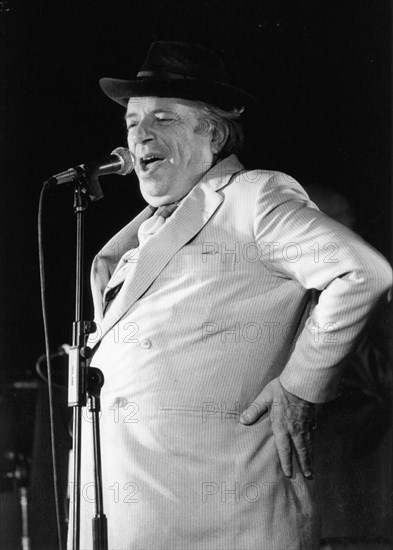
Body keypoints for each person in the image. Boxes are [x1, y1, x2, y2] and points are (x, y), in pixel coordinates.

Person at [70, 41, 392, 550]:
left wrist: (302, 385)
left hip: (225, 521)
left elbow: (363, 272)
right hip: (130, 519)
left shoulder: (252, 199)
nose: (139, 135)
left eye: (163, 118)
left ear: (214, 134)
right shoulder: (131, 242)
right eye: (132, 121)